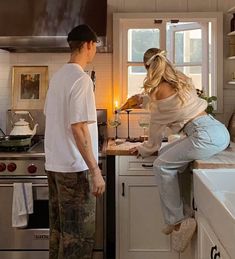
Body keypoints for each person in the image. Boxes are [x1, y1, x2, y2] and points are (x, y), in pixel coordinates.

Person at [130, 48, 230, 252]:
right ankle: (183, 213)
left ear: (147, 68)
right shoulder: (182, 80)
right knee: (167, 157)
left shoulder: (158, 93)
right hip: (216, 129)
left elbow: (154, 141)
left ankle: (177, 222)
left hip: (203, 135)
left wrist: (144, 148)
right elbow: (181, 111)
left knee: (161, 166)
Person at [44, 24, 105, 259]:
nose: (95, 51)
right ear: (89, 45)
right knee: (78, 238)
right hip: (74, 169)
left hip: (55, 167)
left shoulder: (58, 77)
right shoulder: (81, 80)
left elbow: (52, 116)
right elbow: (78, 128)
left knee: (59, 233)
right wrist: (95, 170)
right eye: (95, 46)